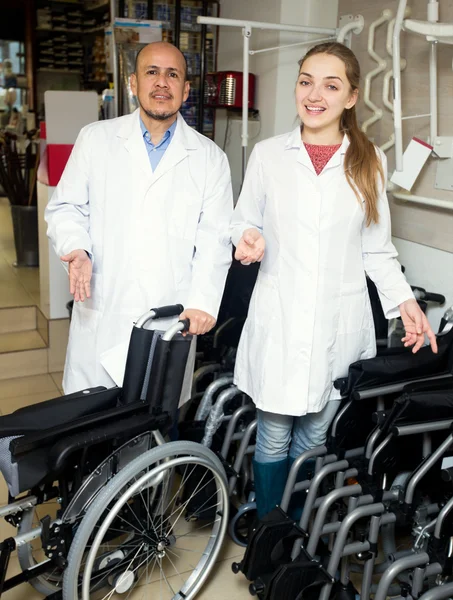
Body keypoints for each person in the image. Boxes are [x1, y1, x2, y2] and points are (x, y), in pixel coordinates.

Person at [229, 42, 438, 519]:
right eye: (306, 81)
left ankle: (297, 527)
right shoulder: (268, 156)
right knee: (275, 432)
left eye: (330, 84)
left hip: (337, 323)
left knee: (314, 434)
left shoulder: (370, 162)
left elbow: (377, 249)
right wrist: (247, 236)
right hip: (279, 317)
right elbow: (242, 219)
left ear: (350, 97)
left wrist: (406, 304)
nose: (314, 94)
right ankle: (269, 531)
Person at [45, 42, 233, 394]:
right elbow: (66, 207)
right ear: (133, 83)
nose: (162, 82)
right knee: (90, 433)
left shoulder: (211, 159)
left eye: (172, 74)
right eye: (152, 72)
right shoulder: (95, 139)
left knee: (153, 434)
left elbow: (215, 239)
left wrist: (202, 302)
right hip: (104, 308)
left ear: (186, 90)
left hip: (168, 319)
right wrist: (77, 249)